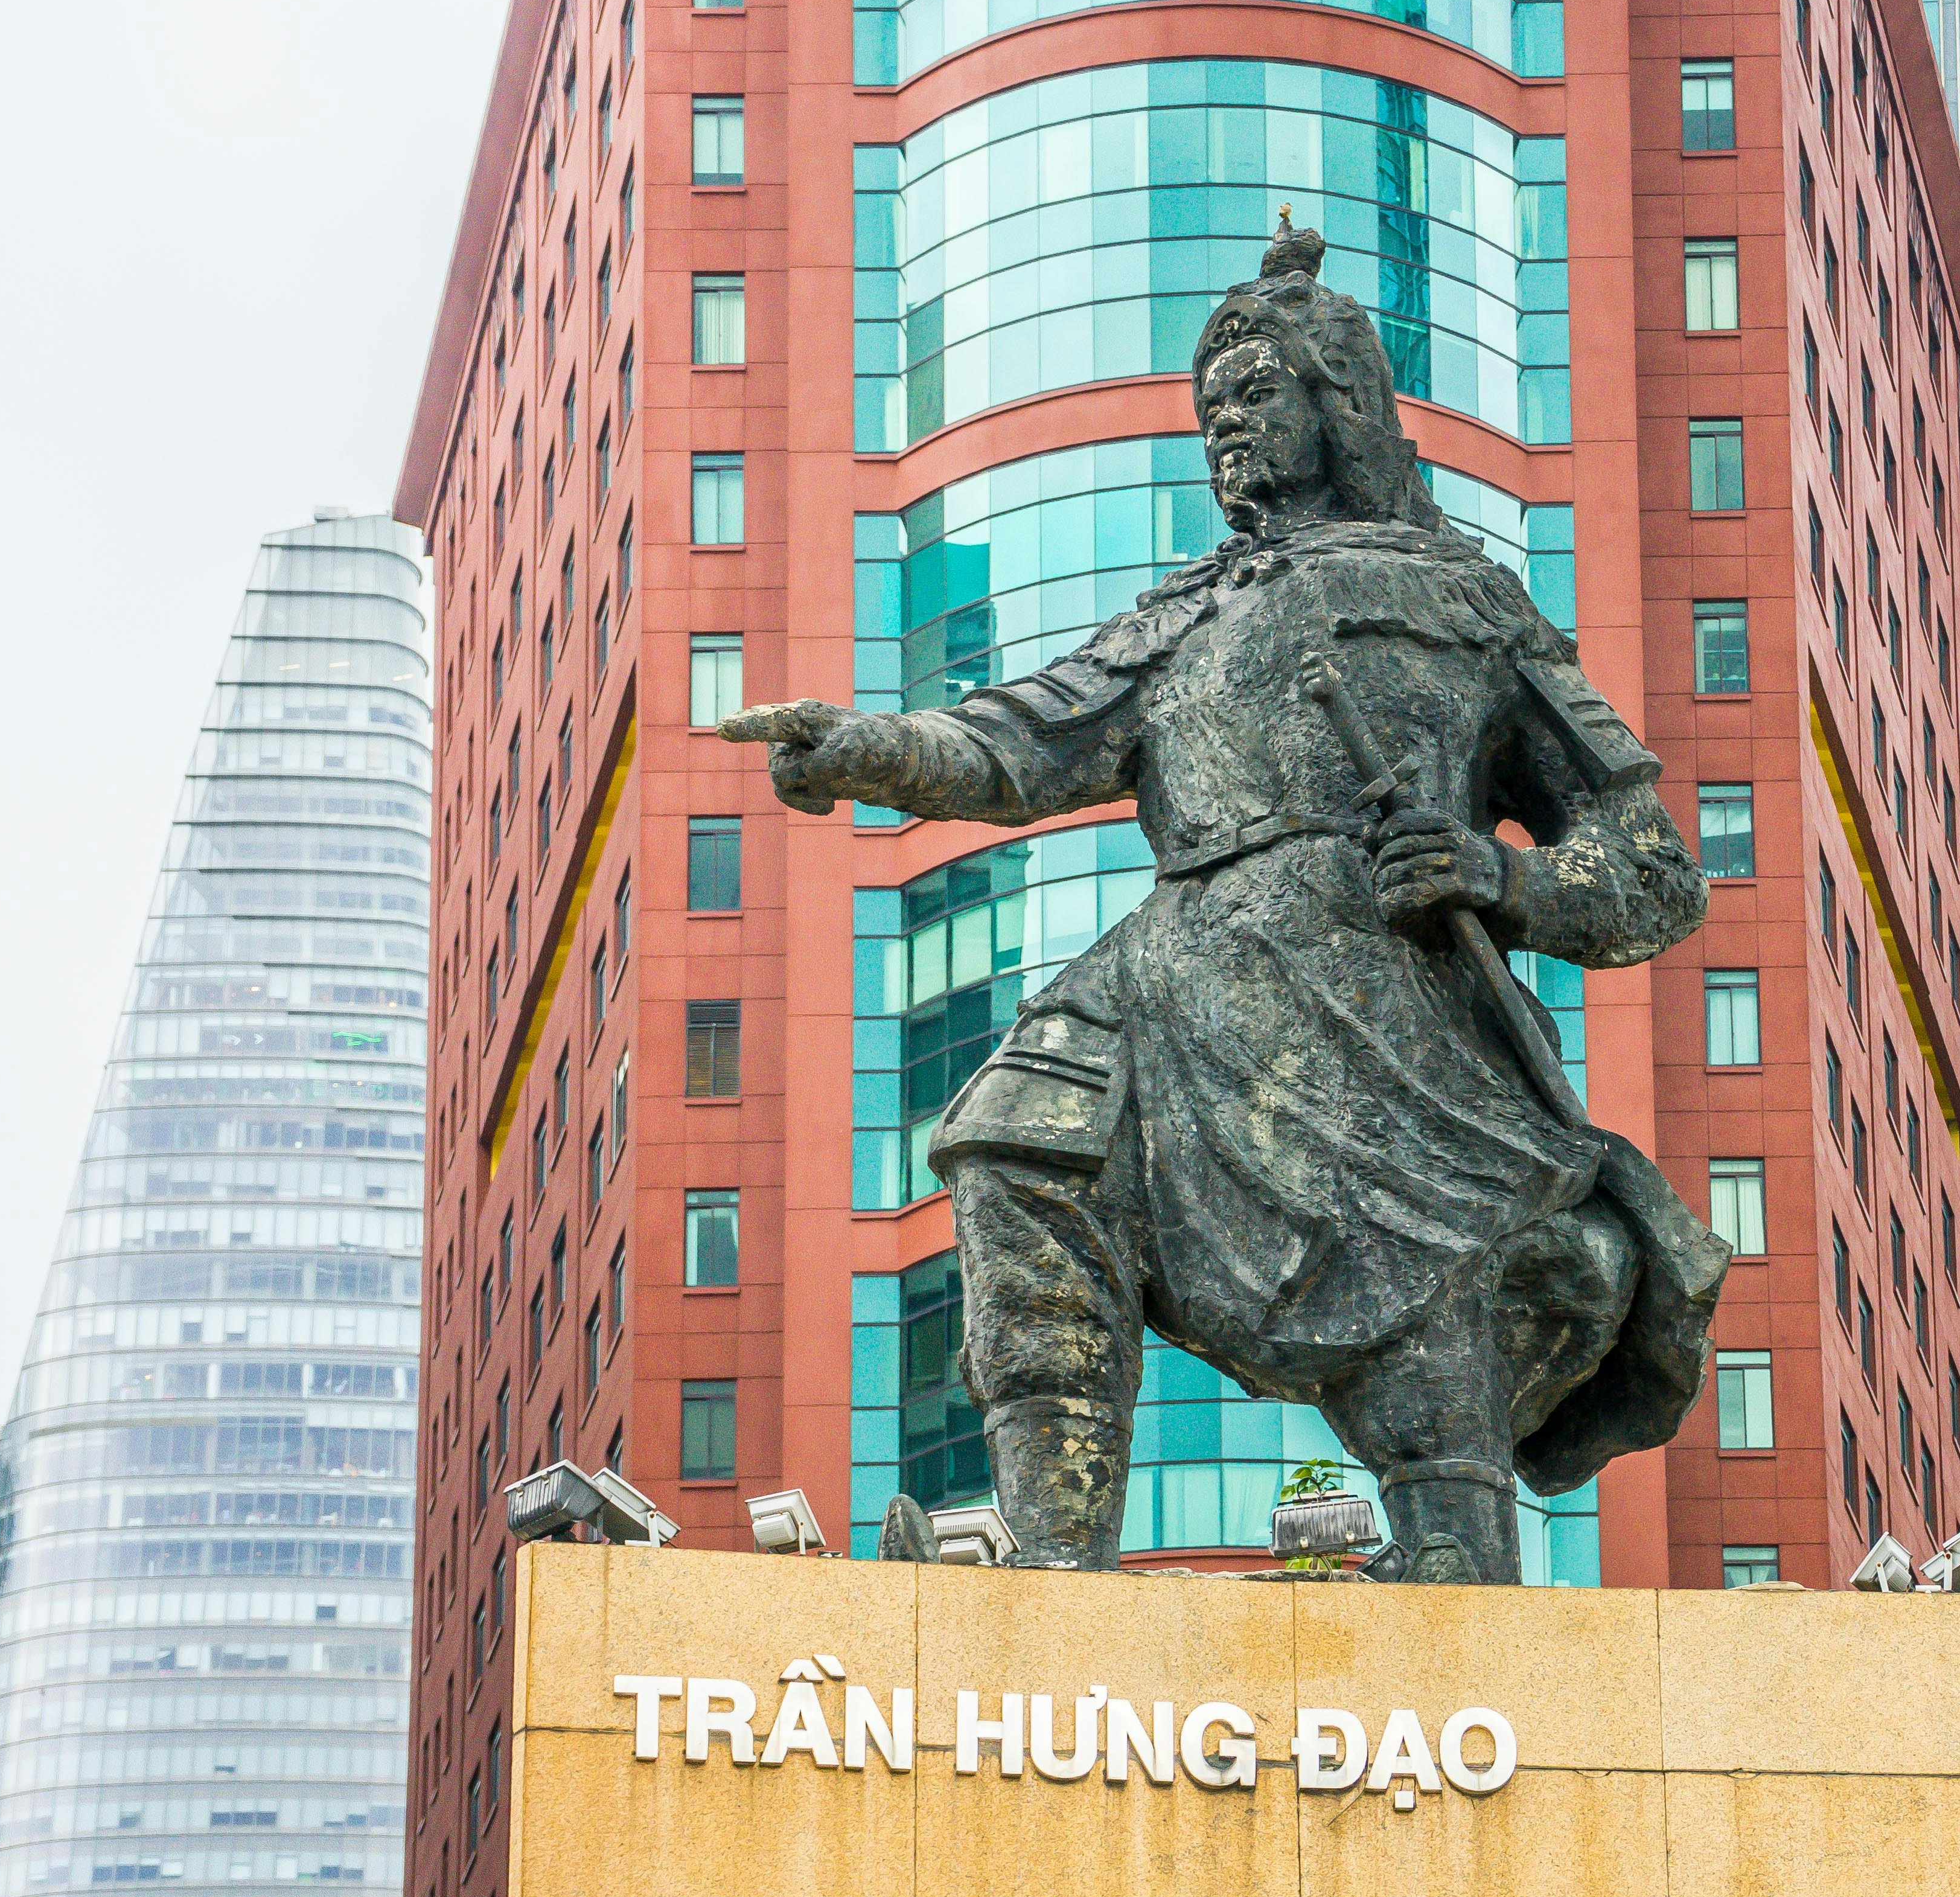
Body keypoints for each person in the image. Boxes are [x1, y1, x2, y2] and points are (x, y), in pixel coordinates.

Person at [725, 223, 1726, 1582]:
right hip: (1173, 969)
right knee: (1017, 1147)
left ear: (1340, 402)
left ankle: (1454, 1554)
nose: (1227, 434)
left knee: (1427, 1288)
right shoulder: (1184, 613)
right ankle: (1055, 1555)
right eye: (1210, 415)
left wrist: (1496, 874)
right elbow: (1019, 743)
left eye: (1254, 398)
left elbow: (1650, 871)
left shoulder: (1472, 606)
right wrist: (860, 750)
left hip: (1379, 990)